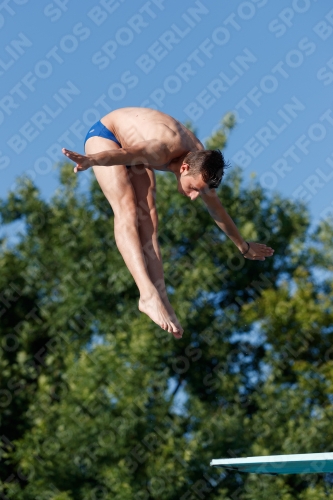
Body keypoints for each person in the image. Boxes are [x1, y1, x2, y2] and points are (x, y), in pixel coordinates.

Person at [62, 107, 274, 339]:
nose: (194, 197)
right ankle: (146, 295)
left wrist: (243, 246)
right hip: (107, 137)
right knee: (127, 208)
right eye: (194, 189)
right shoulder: (161, 150)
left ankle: (161, 298)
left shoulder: (200, 162)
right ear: (184, 168)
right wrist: (90, 160)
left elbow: (216, 209)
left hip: (134, 148)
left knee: (150, 219)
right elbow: (121, 156)